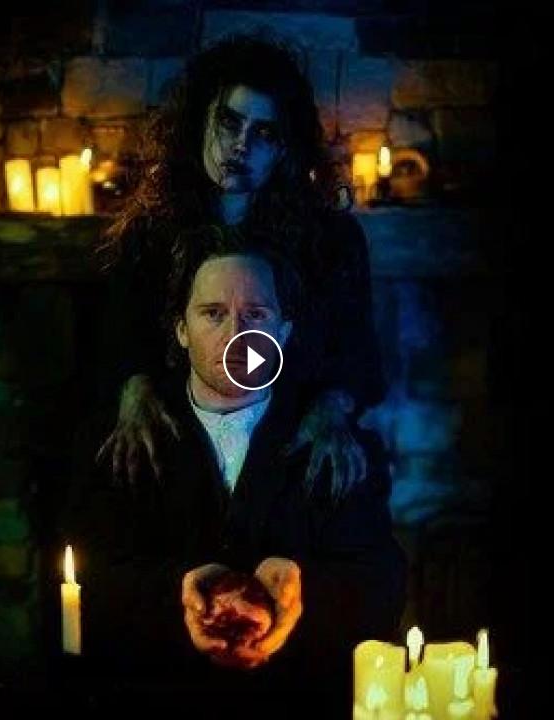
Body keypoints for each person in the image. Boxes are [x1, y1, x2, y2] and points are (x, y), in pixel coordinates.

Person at [63, 230, 405, 714]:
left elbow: (382, 586)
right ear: (181, 330)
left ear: (283, 332)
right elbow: (86, 582)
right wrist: (176, 593)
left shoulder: (341, 446)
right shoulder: (118, 446)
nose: (236, 334)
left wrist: (300, 589)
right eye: (213, 313)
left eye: (256, 315)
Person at [95, 35, 386, 499]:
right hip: (181, 440)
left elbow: (359, 357)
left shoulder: (330, 240)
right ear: (201, 120)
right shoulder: (149, 233)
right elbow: (118, 340)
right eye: (229, 122)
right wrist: (134, 392)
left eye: (264, 133)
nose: (240, 145)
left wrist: (331, 408)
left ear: (285, 149)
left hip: (286, 437)